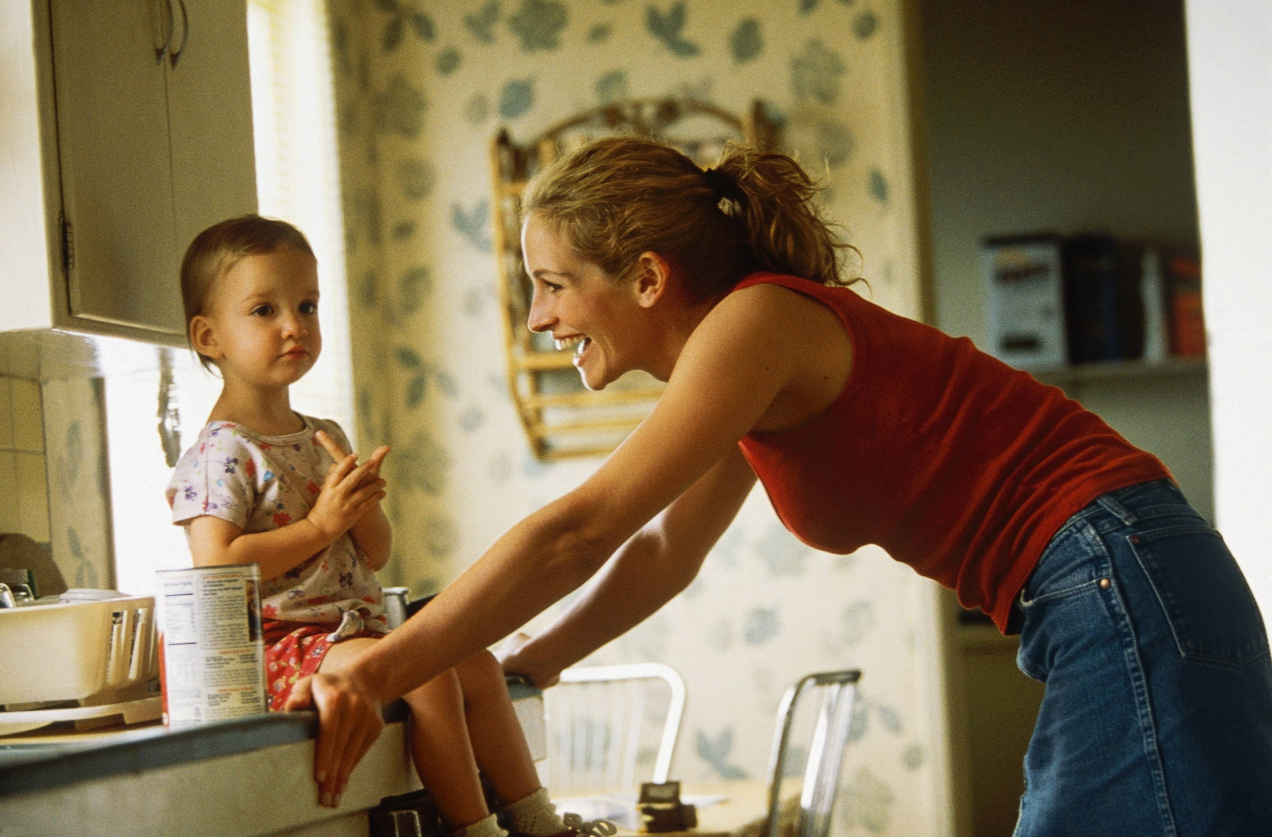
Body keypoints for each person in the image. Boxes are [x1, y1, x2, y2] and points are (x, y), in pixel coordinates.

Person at [289, 139, 1272, 836]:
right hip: (1114, 581)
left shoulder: (755, 325)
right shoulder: (744, 360)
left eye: (551, 282)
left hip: (1114, 573)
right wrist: (530, 667)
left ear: (645, 277)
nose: (539, 316)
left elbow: (581, 530)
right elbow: (664, 552)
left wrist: (377, 669)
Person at [166, 215, 603, 837]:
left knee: (476, 663)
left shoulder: (324, 435)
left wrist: (359, 510)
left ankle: (538, 822)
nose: (295, 326)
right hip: (278, 646)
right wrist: (322, 523)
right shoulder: (221, 452)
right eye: (264, 310)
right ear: (209, 336)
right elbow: (217, 568)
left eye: (307, 306)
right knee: (428, 671)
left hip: (349, 631)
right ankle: (475, 830)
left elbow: (374, 554)